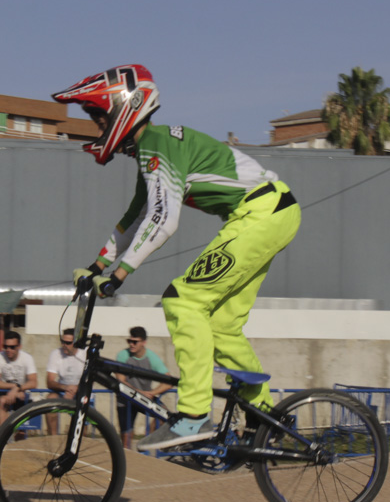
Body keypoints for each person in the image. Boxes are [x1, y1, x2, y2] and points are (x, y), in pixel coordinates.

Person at [55, 65, 301, 450]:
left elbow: (162, 219)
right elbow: (136, 217)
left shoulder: (157, 146)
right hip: (270, 212)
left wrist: (119, 275)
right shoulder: (151, 150)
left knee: (183, 300)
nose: (97, 126)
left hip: (260, 214)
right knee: (222, 325)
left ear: (124, 109)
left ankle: (193, 416)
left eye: (99, 117)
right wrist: (97, 266)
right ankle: (267, 419)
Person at [114, 326, 171, 448]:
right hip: (125, 399)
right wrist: (140, 392)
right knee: (126, 436)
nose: (131, 344)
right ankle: (126, 460)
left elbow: (168, 381)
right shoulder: (123, 355)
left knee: (165, 416)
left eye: (135, 342)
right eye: (129, 341)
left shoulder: (151, 357)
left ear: (144, 342)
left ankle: (147, 440)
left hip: (143, 398)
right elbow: (121, 381)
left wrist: (152, 393)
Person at [0, 331, 38, 426]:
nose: (8, 350)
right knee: (3, 401)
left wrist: (18, 389)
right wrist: (14, 387)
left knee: (21, 431)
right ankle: (3, 438)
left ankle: (20, 435)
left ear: (19, 346)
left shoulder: (27, 358)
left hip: (22, 392)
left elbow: (33, 382)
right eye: (5, 346)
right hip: (5, 391)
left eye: (12, 347)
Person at [44, 328, 86, 434]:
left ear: (76, 343)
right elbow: (50, 382)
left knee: (82, 429)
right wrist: (66, 388)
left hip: (81, 390)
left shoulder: (85, 353)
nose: (64, 345)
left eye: (68, 343)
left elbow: (89, 379)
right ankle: (53, 440)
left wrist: (75, 389)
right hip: (62, 389)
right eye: (62, 342)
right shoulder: (55, 354)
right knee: (50, 401)